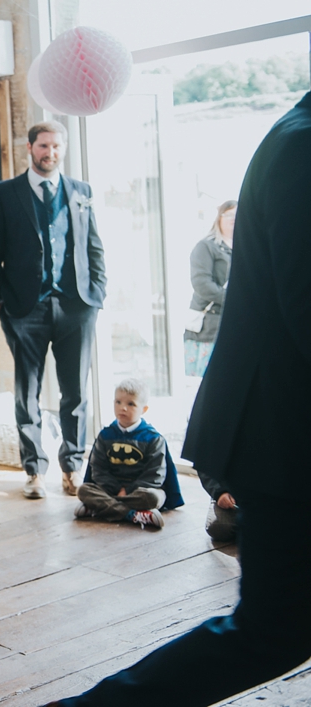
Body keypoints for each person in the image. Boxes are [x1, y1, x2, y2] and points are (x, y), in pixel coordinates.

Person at [44, 90, 311, 707]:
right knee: (273, 630)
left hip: (282, 429)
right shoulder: (304, 145)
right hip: (286, 437)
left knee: (275, 628)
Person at [0, 120, 106, 500]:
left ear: (62, 149)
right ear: (29, 148)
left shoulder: (80, 191)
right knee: (27, 393)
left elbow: (93, 246)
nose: (49, 153)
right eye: (43, 146)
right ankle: (34, 470)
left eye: (55, 147)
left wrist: (96, 294)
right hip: (24, 308)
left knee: (76, 394)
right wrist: (0, 301)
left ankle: (73, 467)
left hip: (76, 306)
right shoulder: (5, 193)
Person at [73, 378, 166, 529]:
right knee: (84, 491)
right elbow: (98, 469)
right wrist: (117, 489)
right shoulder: (105, 435)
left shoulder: (153, 438)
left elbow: (155, 474)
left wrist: (128, 490)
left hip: (138, 491)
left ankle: (98, 508)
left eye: (131, 404)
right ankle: (133, 515)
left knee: (155, 497)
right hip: (109, 488)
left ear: (144, 409)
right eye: (118, 402)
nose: (123, 408)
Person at [184, 200, 235, 377]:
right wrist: (233, 298)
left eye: (237, 215)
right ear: (219, 218)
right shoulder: (207, 247)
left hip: (232, 322)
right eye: (229, 215)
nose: (233, 219)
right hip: (208, 326)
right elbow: (201, 284)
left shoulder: (245, 249)